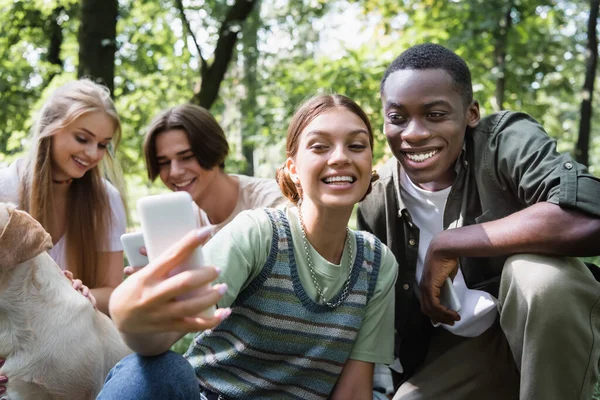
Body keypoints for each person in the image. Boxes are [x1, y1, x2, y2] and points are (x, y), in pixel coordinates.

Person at [98, 94, 398, 400]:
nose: (340, 158)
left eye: (357, 146)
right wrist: (130, 314)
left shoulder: (377, 264)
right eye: (320, 146)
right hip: (210, 393)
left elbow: (354, 391)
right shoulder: (257, 231)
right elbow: (162, 333)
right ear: (293, 169)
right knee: (155, 369)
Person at [358, 43, 600, 400]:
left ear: (471, 113)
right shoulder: (376, 200)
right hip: (461, 347)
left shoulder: (502, 141)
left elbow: (588, 215)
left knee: (538, 276)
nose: (414, 133)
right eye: (397, 118)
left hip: (548, 328)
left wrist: (449, 243)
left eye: (435, 114)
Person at [0, 79, 128, 315]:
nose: (92, 154)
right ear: (50, 128)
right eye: (82, 138)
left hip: (72, 338)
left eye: (102, 145)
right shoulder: (4, 187)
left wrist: (79, 293)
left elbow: (113, 292)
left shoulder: (107, 199)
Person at [143, 104, 285, 234]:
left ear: (213, 149)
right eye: (164, 163)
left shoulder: (273, 204)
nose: (174, 172)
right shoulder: (181, 223)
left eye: (187, 157)